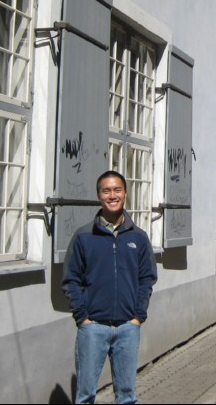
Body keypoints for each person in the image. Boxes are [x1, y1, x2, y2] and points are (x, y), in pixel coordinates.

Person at [63, 170, 158, 404]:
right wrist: (83, 317)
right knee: (85, 396)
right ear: (99, 195)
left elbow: (147, 278)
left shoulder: (138, 236)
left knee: (126, 397)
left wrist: (138, 316)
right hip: (93, 327)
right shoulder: (84, 236)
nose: (112, 195)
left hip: (127, 326)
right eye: (106, 191)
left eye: (117, 190)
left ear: (125, 193)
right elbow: (71, 279)